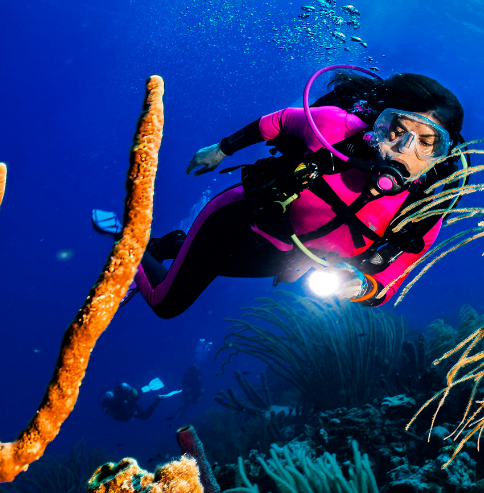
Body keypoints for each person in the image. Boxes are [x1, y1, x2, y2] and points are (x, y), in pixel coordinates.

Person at [109, 69, 466, 318]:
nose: (404, 149)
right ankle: (132, 244)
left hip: (289, 259)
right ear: (378, 122)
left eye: (427, 142)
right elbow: (278, 121)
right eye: (396, 130)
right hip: (237, 222)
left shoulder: (426, 209)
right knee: (165, 304)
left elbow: (389, 282)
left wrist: (360, 287)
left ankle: (173, 245)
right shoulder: (336, 129)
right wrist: (222, 148)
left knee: (211, 267)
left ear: (443, 154)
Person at [99, 381, 163, 422]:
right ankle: (157, 398)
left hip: (128, 403)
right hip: (129, 404)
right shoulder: (109, 404)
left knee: (145, 416)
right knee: (144, 416)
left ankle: (158, 399)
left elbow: (122, 414)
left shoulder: (109, 402)